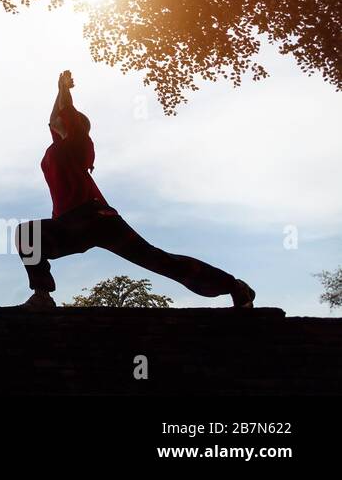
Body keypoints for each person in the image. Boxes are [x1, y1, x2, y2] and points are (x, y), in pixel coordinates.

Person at [15, 70, 255, 309]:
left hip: (97, 218)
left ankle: (234, 287)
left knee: (157, 259)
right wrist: (59, 89)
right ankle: (42, 295)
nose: (56, 119)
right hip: (70, 224)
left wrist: (65, 90)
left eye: (64, 117)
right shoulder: (59, 145)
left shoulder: (79, 141)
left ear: (73, 124)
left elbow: (65, 111)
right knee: (27, 235)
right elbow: (54, 116)